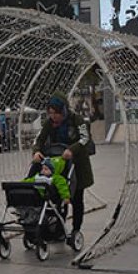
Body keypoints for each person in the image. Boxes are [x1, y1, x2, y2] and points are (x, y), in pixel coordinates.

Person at [32, 94, 94, 240]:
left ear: (63, 111)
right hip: (57, 164)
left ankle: (76, 229)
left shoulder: (76, 120)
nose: (54, 117)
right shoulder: (49, 123)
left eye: (56, 113)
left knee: (76, 198)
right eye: (51, 113)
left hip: (77, 165)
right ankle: (59, 228)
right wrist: (36, 151)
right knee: (58, 196)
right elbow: (39, 139)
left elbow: (85, 138)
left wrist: (72, 149)